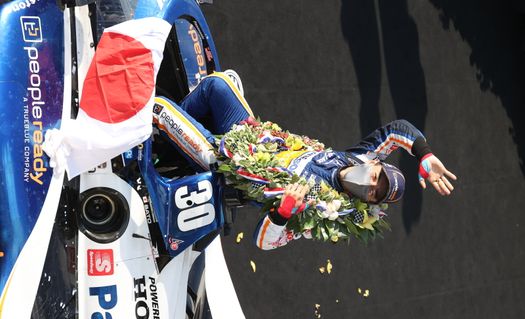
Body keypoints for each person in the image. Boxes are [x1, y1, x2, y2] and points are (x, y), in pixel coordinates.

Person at [153, 71, 457, 250]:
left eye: (375, 193)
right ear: (376, 164)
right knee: (220, 82)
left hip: (224, 163)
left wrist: (283, 213)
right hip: (250, 136)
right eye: (378, 177)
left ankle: (161, 147)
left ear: (369, 202)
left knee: (160, 110)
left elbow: (264, 243)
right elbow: (398, 129)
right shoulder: (361, 155)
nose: (371, 185)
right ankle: (166, 150)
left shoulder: (325, 212)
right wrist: (425, 154)